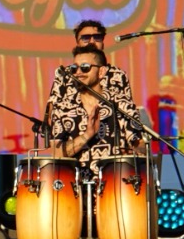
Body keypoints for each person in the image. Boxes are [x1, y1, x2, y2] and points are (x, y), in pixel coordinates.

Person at [47, 42, 146, 172]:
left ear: (102, 71)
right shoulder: (62, 109)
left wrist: (135, 153)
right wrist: (87, 135)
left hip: (117, 183)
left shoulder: (120, 104)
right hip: (75, 187)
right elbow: (57, 153)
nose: (78, 72)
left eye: (85, 67)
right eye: (73, 68)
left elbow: (140, 145)